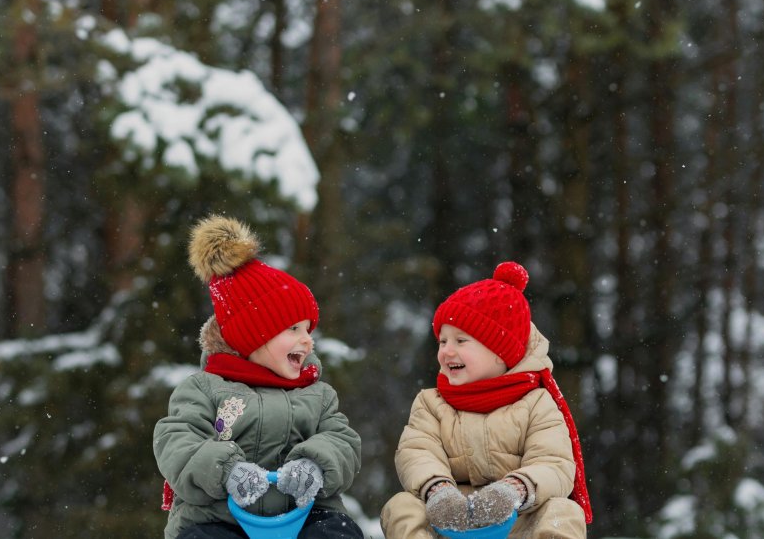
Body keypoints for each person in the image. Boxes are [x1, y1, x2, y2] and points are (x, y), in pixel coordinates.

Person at [154, 215, 364, 539]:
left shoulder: (317, 394)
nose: (307, 339)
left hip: (304, 515)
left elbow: (343, 441)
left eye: (308, 329)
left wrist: (315, 464)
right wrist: (227, 470)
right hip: (219, 519)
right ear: (252, 335)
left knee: (337, 532)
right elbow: (178, 441)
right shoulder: (204, 389)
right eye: (293, 328)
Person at [381, 262, 592, 538]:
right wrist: (438, 490)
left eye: (460, 341)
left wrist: (514, 489)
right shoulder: (432, 403)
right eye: (442, 342)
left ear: (499, 352)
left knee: (563, 512)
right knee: (401, 507)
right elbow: (417, 452)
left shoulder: (536, 402)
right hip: (449, 520)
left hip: (516, 521)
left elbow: (554, 463)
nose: (447, 351)